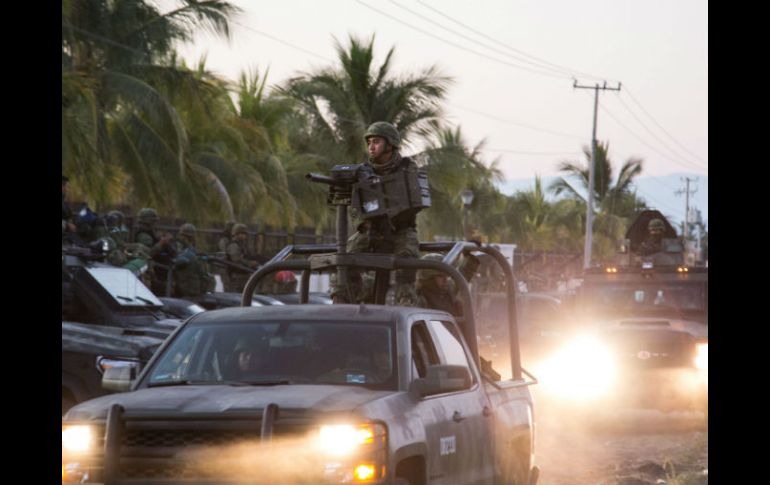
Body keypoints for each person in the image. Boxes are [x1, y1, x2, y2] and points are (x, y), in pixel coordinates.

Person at [331, 121, 422, 305]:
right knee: (344, 259)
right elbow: (354, 205)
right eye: (369, 142)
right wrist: (364, 224)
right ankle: (342, 305)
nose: (371, 147)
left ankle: (405, 306)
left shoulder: (407, 168)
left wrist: (390, 215)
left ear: (390, 145)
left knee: (408, 261)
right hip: (371, 228)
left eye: (377, 142)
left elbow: (412, 200)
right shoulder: (362, 171)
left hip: (401, 229)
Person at [171, 223, 215, 298]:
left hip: (192, 277)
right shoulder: (178, 245)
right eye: (187, 236)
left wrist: (202, 256)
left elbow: (194, 254)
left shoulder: (190, 246)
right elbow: (178, 259)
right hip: (184, 279)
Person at [225, 223, 268, 292]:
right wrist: (250, 263)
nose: (244, 235)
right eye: (242, 233)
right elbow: (236, 259)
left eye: (244, 233)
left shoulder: (242, 245)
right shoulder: (233, 245)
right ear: (236, 234)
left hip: (244, 274)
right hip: (237, 275)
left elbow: (248, 256)